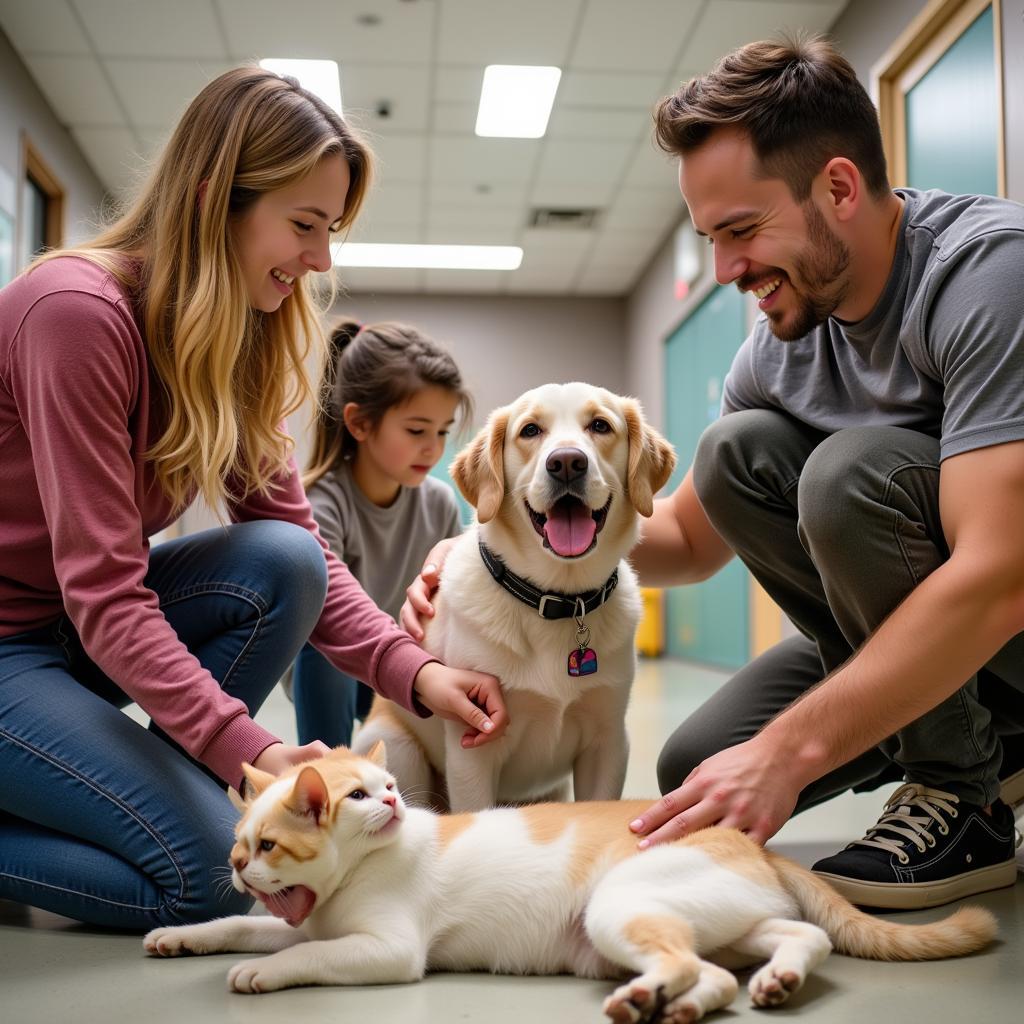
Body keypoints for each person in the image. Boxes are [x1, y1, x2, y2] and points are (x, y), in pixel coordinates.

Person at [404, 37, 1024, 911]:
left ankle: (966, 793)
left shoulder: (988, 274)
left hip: (1005, 619)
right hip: (936, 629)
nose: (726, 272)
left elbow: (998, 577)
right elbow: (688, 538)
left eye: (741, 231)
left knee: (849, 474)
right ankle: (983, 732)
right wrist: (486, 554)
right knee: (694, 767)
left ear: (840, 189)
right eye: (710, 238)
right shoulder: (780, 344)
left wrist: (791, 752)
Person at [0, 65, 506, 932]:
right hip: (17, 645)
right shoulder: (75, 314)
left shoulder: (232, 340)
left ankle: (118, 805)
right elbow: (108, 595)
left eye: (331, 228)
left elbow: (296, 545)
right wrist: (257, 751)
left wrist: (415, 673)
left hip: (64, 637)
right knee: (210, 881)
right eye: (304, 224)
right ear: (212, 203)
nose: (320, 259)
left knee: (281, 560)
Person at [291, 319, 469, 747]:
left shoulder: (440, 502)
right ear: (360, 424)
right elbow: (331, 625)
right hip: (339, 663)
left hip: (404, 665)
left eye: (443, 431)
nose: (434, 448)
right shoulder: (320, 503)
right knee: (323, 641)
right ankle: (330, 769)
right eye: (416, 430)